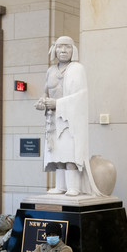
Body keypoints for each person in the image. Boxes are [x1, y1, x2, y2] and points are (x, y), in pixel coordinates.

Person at [35, 36, 100, 196]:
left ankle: (74, 187)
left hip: (71, 121)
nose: (63, 50)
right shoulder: (50, 70)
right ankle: (60, 186)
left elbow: (81, 96)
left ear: (73, 50)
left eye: (67, 47)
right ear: (54, 50)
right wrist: (42, 101)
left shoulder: (77, 69)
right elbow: (46, 91)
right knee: (57, 156)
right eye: (60, 47)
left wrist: (58, 104)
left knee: (70, 155)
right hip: (53, 121)